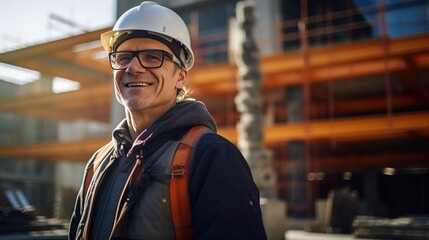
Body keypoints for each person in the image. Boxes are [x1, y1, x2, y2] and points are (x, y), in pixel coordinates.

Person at [69, 1, 267, 239]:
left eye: (152, 57)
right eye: (123, 57)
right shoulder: (98, 165)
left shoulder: (212, 157)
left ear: (180, 77)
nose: (133, 67)